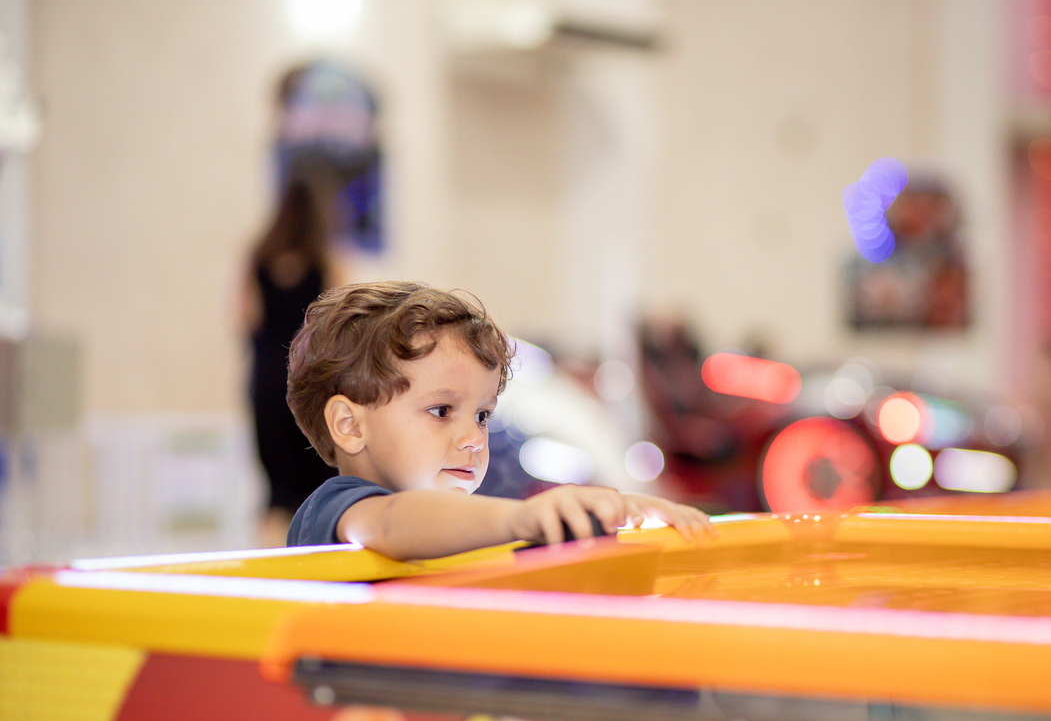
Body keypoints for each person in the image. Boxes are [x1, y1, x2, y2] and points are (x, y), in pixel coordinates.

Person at [285, 281, 714, 557]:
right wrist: (520, 518)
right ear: (350, 425)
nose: (474, 437)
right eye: (441, 411)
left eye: (482, 415)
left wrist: (605, 514)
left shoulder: (465, 525)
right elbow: (392, 522)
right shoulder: (340, 510)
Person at [241, 179, 346, 546]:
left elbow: (245, 317)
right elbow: (343, 322)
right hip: (312, 382)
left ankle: (271, 563)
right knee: (319, 479)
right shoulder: (326, 260)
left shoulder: (258, 259)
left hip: (268, 381)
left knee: (276, 488)